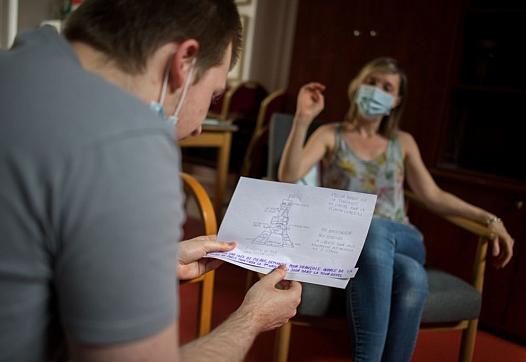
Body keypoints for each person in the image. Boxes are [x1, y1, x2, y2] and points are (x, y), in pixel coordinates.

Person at [0, 1, 301, 361]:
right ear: (185, 61)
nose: (200, 125)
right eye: (214, 95)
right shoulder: (128, 143)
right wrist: (251, 319)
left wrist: (148, 256)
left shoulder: (21, 63)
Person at [278, 57, 514, 362]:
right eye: (371, 82)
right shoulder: (331, 135)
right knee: (412, 277)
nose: (376, 90)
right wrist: (302, 118)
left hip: (403, 238)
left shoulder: (402, 143)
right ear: (356, 87)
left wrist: (488, 218)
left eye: (386, 87)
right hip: (346, 244)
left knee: (375, 227)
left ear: (395, 101)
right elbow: (288, 174)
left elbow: (434, 195)